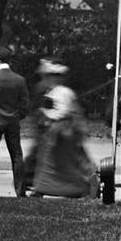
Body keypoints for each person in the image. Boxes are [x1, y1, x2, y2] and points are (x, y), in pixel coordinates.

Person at [30, 60, 97, 198]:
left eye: (51, 76)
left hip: (63, 131)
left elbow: (63, 112)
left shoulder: (62, 92)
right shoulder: (54, 91)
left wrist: (50, 120)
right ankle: (42, 188)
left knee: (65, 161)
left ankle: (83, 186)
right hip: (57, 131)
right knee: (51, 161)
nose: (48, 79)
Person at [0, 48, 30, 197]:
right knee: (16, 155)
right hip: (12, 121)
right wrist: (17, 116)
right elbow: (26, 104)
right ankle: (20, 191)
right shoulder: (20, 80)